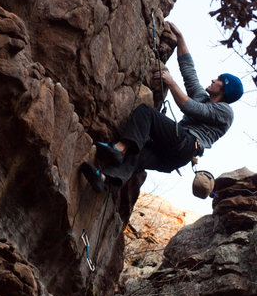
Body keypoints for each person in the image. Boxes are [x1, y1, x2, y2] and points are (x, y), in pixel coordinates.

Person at [80, 22, 243, 192]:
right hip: (176, 156)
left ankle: (118, 149)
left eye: (218, 80)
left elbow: (189, 107)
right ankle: (103, 179)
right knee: (138, 154)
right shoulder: (203, 97)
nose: (213, 80)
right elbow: (189, 71)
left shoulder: (225, 112)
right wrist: (181, 38)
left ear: (224, 88)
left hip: (187, 144)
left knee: (146, 113)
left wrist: (171, 83)